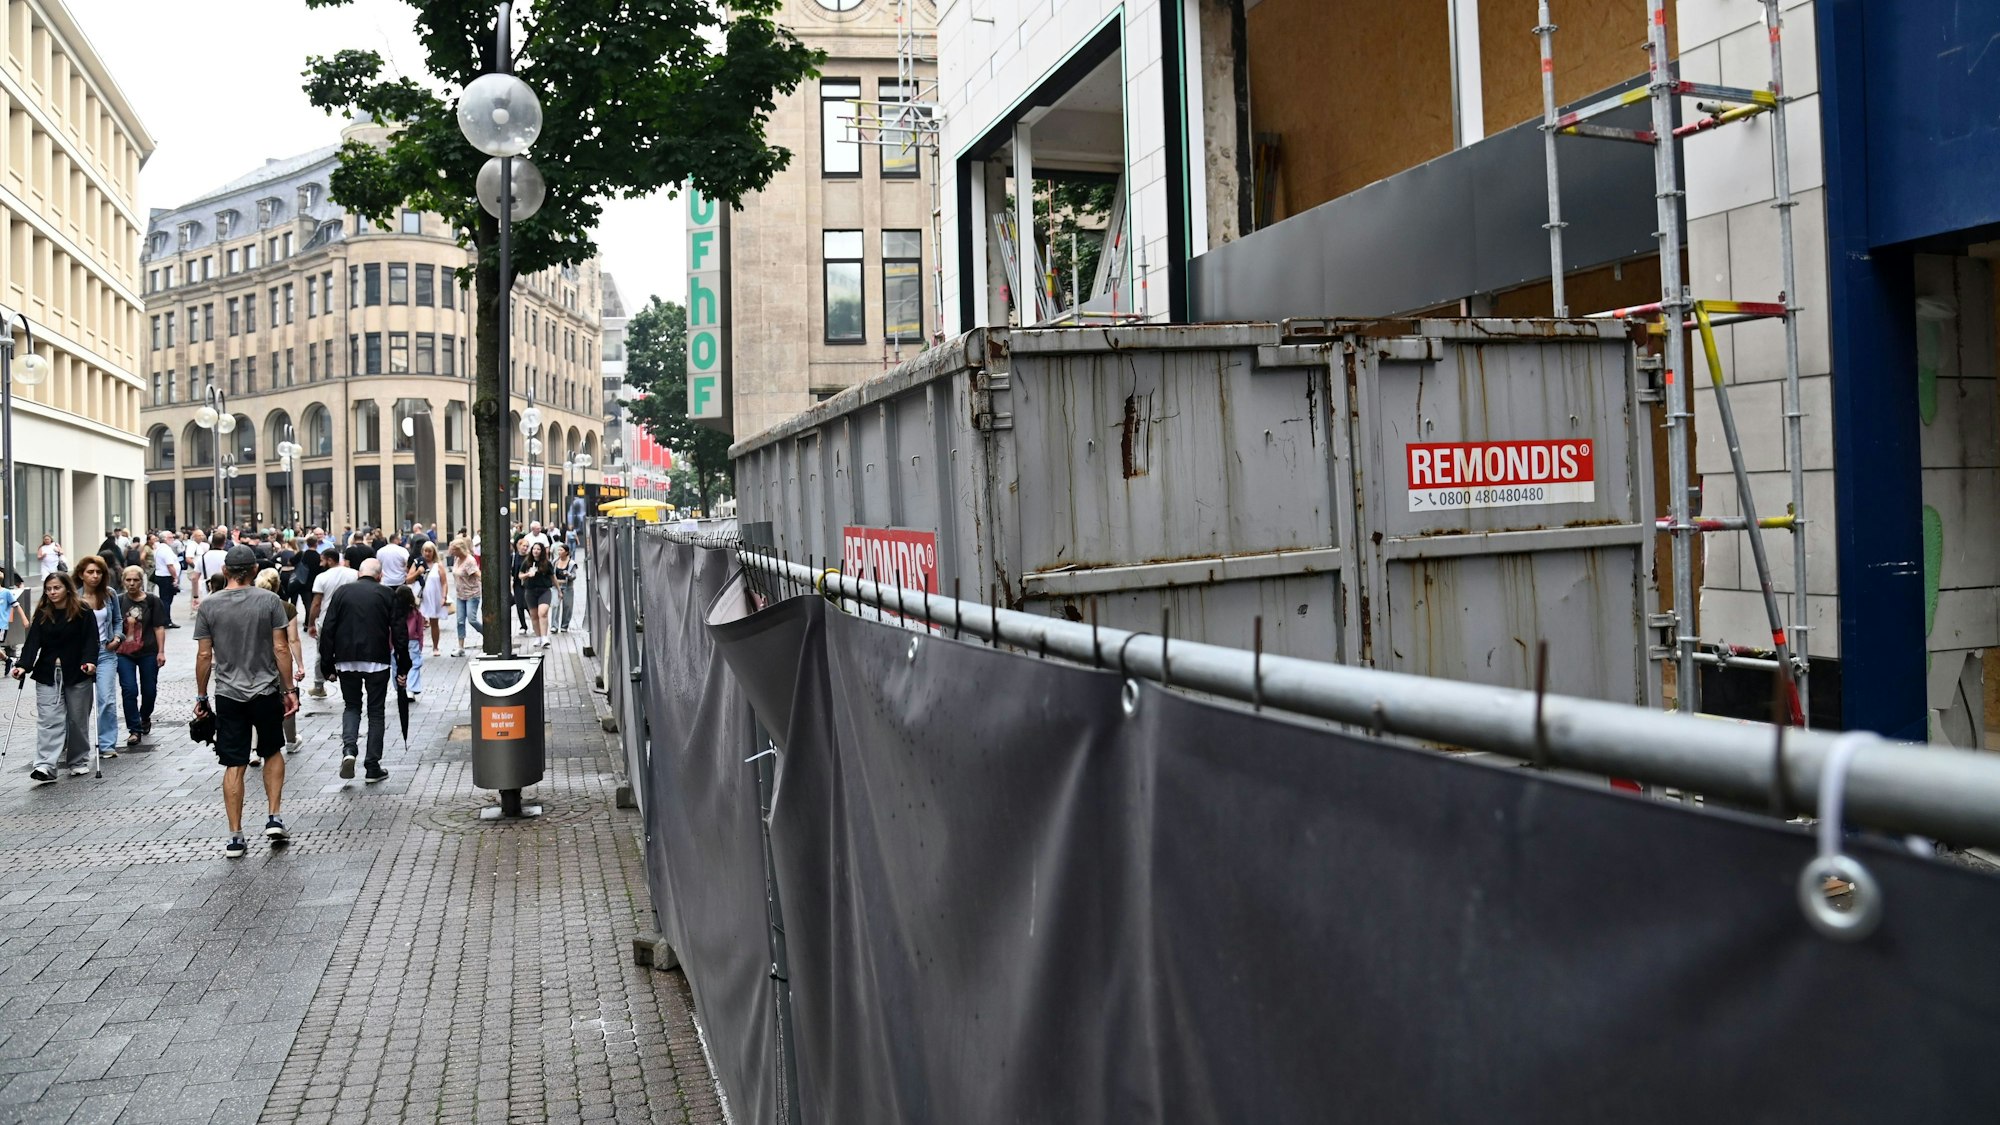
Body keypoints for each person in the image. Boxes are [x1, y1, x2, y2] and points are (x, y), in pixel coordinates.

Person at [193, 545, 299, 858]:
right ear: (254, 571)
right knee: (271, 750)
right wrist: (289, 689)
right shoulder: (269, 601)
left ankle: (235, 836)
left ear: (225, 572)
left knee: (234, 763)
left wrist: (201, 695)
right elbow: (281, 649)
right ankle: (274, 816)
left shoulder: (209, 606)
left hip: (228, 693)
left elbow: (203, 655)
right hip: (265, 690)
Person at [319, 558, 410, 784]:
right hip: (377, 659)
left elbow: (328, 628)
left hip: (346, 659)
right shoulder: (387, 594)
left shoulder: (342, 593)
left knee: (351, 706)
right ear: (380, 576)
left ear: (359, 573)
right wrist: (403, 664)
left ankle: (349, 749)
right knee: (376, 712)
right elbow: (399, 632)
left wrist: (327, 665)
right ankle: (372, 766)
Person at [16, 572, 98, 784]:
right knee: (49, 720)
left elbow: (91, 640)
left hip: (78, 671)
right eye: (49, 589)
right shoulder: (43, 613)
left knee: (77, 719)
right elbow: (32, 643)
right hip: (48, 673)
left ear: (67, 589)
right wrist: (23, 666)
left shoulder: (82, 611)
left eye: (56, 588)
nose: (52, 592)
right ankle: (45, 765)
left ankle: (78, 761)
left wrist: (90, 661)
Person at [71, 556, 123, 763]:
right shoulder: (74, 597)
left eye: (98, 572)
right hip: (81, 654)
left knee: (107, 699)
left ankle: (107, 744)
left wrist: (117, 638)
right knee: (79, 704)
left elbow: (118, 620)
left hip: (105, 652)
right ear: (81, 574)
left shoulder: (109, 595)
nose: (94, 576)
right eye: (90, 572)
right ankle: (75, 745)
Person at [255, 569, 307, 757]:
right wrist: (300, 664)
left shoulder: (250, 605)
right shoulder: (286, 607)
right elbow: (292, 640)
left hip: (254, 659)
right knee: (287, 696)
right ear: (278, 585)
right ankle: (291, 740)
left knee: (255, 699)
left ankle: (254, 748)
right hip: (280, 660)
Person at [113, 565, 166, 747]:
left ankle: (145, 716)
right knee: (129, 689)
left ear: (141, 581)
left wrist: (161, 651)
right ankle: (134, 729)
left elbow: (159, 627)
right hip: (123, 653)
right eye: (128, 580)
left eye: (135, 580)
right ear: (123, 581)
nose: (132, 583)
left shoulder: (152, 601)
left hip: (148, 651)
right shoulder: (118, 601)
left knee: (149, 690)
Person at [449, 538, 482, 657]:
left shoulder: (469, 561)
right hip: (460, 595)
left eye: (454, 550)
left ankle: (488, 636)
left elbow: (477, 574)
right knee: (460, 621)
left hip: (472, 594)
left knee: (472, 619)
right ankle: (461, 647)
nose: (452, 552)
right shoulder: (457, 559)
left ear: (459, 549)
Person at [520, 542, 554, 648]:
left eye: (538, 549)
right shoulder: (527, 562)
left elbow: (553, 577)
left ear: (542, 551)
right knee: (534, 615)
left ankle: (544, 637)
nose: (536, 551)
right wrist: (527, 574)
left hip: (544, 590)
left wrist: (559, 590)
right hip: (530, 591)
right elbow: (520, 575)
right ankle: (538, 637)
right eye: (534, 549)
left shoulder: (547, 563)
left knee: (542, 612)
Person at [394, 583, 425, 697]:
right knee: (414, 664)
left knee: (396, 664)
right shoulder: (416, 613)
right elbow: (420, 630)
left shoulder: (394, 613)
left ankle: (399, 686)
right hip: (413, 640)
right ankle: (411, 688)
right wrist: (420, 644)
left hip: (396, 641)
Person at [417, 540, 448, 656]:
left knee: (434, 622)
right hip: (421, 598)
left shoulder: (438, 566)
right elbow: (408, 579)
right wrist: (418, 572)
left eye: (429, 551)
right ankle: (419, 647)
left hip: (434, 597)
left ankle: (435, 647)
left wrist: (444, 597)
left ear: (433, 552)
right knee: (419, 624)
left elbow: (444, 582)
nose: (427, 553)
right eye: (425, 551)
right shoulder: (418, 564)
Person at [152, 532, 181, 627]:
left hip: (162, 575)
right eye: (170, 537)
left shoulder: (160, 548)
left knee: (165, 599)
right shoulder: (165, 549)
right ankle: (166, 620)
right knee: (166, 600)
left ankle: (165, 619)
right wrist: (175, 577)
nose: (172, 538)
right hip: (166, 576)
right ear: (164, 539)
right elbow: (170, 565)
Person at [551, 543, 576, 635]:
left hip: (567, 587)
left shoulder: (571, 563)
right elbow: (551, 574)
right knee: (555, 605)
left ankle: (564, 626)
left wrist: (568, 575)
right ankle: (554, 626)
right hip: (555, 586)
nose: (559, 552)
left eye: (561, 550)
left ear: (566, 552)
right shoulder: (555, 561)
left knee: (567, 607)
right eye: (558, 550)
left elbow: (574, 576)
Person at [511, 537, 531, 634]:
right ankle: (523, 625)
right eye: (523, 546)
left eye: (527, 546)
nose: (525, 548)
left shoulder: (529, 558)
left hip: (527, 584)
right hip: (517, 584)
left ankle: (535, 622)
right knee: (519, 605)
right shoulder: (514, 557)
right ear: (519, 546)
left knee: (527, 604)